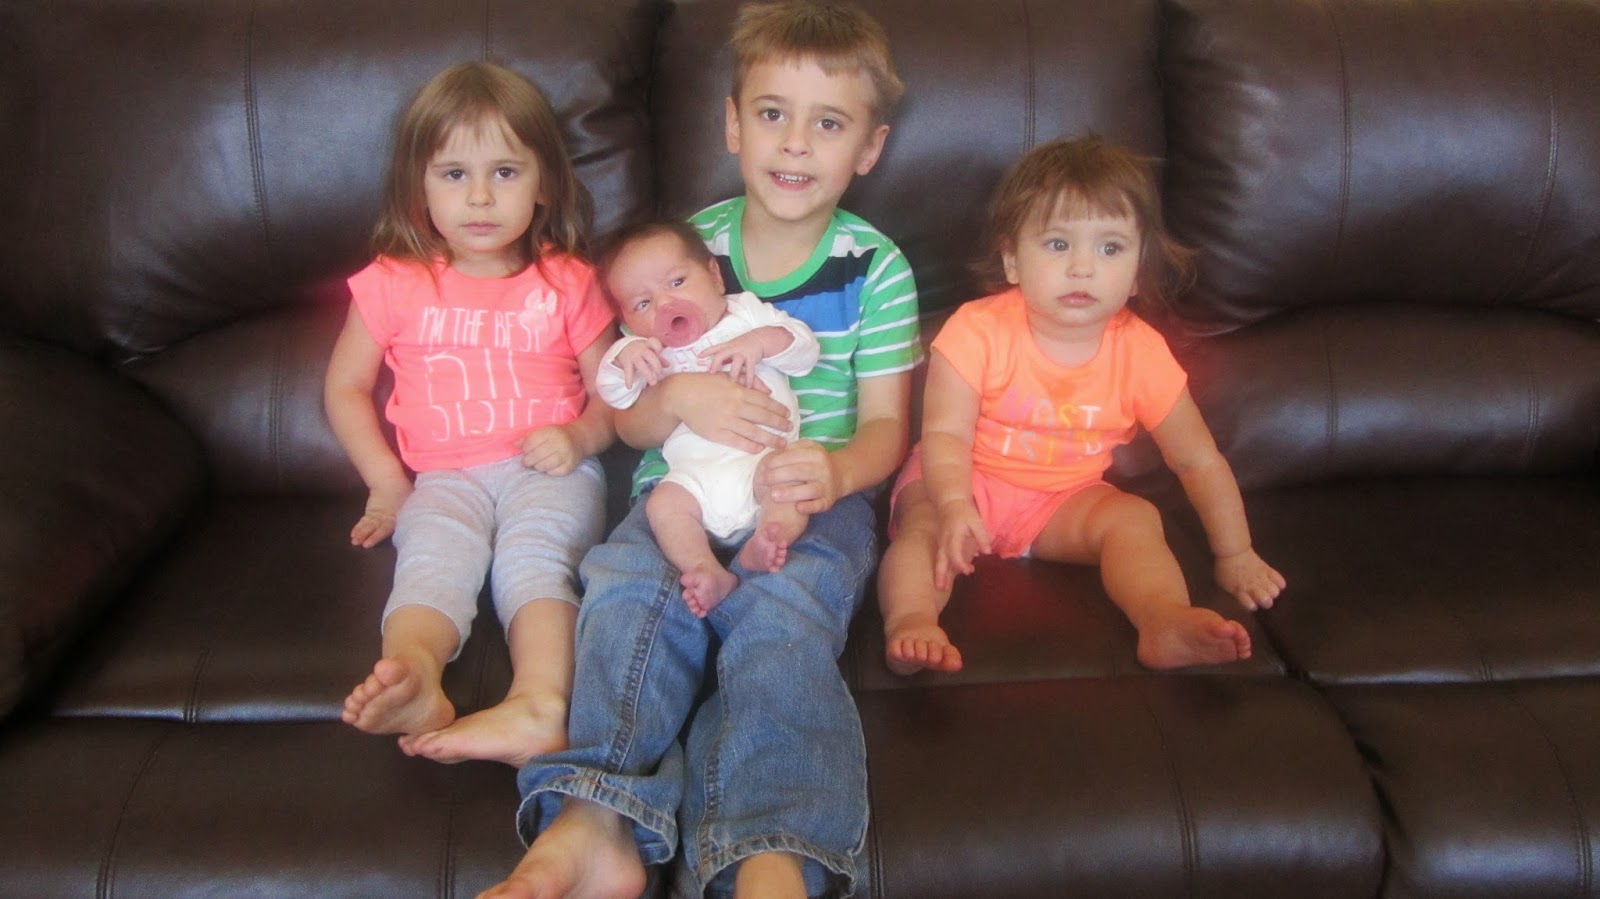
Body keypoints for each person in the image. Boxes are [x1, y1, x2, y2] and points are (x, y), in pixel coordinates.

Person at [479, 2, 917, 898]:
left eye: (828, 124)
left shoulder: (877, 269)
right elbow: (627, 420)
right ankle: (592, 818)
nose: (794, 144)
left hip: (806, 497)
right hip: (678, 484)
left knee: (783, 621)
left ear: (869, 148)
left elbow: (886, 429)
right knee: (626, 592)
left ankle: (770, 853)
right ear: (732, 124)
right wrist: (675, 396)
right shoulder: (679, 251)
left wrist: (836, 469)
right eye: (772, 113)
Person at [878, 135, 1287, 677]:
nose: (1082, 268)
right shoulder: (975, 330)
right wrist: (956, 504)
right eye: (1057, 244)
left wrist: (1235, 553)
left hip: (1061, 502)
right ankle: (912, 622)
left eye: (1110, 248)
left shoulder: (1142, 354)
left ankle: (1163, 620)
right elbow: (945, 435)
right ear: (1012, 260)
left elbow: (1197, 459)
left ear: (1138, 271)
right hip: (964, 481)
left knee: (1135, 518)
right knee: (924, 526)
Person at [325, 61, 615, 768]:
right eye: (454, 174)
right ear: (419, 187)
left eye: (505, 173)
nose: (479, 197)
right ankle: (415, 676)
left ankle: (539, 703)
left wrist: (580, 435)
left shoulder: (568, 281)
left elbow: (615, 393)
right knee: (430, 560)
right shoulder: (394, 282)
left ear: (544, 185)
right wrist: (386, 482)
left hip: (547, 470)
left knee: (534, 560)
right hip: (442, 477)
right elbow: (345, 386)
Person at [595, 219, 820, 617]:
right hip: (693, 479)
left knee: (791, 484)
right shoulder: (647, 352)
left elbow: (805, 350)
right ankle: (705, 568)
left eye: (677, 282)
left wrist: (759, 343)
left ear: (715, 276)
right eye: (643, 304)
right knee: (663, 506)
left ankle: (769, 538)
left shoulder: (746, 314)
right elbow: (616, 394)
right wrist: (621, 358)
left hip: (762, 460)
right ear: (628, 323)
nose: (665, 304)